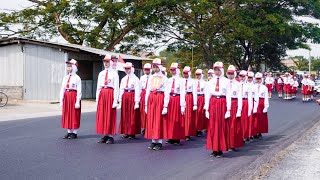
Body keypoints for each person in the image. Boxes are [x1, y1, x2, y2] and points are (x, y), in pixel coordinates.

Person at [204, 61, 229, 158]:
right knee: (213, 126)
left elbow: (229, 96)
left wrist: (229, 109)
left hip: (222, 102)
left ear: (222, 70)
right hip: (213, 103)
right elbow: (207, 95)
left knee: (221, 126)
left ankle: (220, 149)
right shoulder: (210, 82)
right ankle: (214, 148)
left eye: (219, 70)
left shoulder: (226, 81)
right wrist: (206, 109)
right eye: (215, 70)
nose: (217, 72)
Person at [144, 58, 168, 150]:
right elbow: (147, 91)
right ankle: (153, 140)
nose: (155, 68)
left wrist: (165, 106)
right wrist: (146, 104)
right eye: (154, 67)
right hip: (152, 98)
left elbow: (166, 92)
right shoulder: (151, 77)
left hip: (160, 97)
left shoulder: (164, 78)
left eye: (157, 66)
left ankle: (159, 141)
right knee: (151, 119)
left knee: (158, 119)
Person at [96, 55, 119, 144]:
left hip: (110, 93)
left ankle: (110, 136)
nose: (106, 63)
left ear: (111, 62)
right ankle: (105, 134)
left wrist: (115, 100)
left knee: (110, 114)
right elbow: (98, 87)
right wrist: (97, 99)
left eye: (107, 62)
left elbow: (116, 87)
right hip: (103, 93)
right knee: (103, 115)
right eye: (105, 62)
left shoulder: (114, 74)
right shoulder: (101, 73)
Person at [163, 63, 186, 145]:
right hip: (170, 99)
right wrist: (165, 104)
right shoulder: (169, 80)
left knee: (177, 118)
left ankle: (176, 137)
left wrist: (182, 106)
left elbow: (183, 93)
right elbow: (166, 92)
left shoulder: (181, 80)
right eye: (171, 70)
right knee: (170, 119)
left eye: (174, 70)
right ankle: (170, 136)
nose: (172, 71)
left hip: (177, 99)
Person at [118, 62, 141, 139]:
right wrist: (120, 100)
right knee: (125, 114)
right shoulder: (124, 79)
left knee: (132, 114)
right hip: (125, 95)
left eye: (128, 68)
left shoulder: (136, 79)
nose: (127, 70)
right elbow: (121, 89)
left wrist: (137, 102)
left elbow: (138, 90)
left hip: (132, 95)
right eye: (126, 68)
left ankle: (132, 132)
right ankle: (126, 131)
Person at [60, 59, 82, 139]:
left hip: (73, 96)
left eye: (70, 66)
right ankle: (69, 132)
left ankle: (74, 132)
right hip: (67, 96)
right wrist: (61, 99)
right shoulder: (65, 78)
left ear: (74, 67)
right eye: (67, 66)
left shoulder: (77, 78)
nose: (68, 68)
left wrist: (77, 101)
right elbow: (62, 88)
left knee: (74, 114)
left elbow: (79, 90)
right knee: (67, 114)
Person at [226, 65, 243, 151]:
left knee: (233, 125)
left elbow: (240, 97)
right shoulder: (224, 82)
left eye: (232, 73)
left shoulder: (238, 84)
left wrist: (239, 109)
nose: (230, 75)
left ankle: (232, 144)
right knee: (225, 126)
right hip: (225, 104)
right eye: (229, 73)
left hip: (234, 103)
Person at [182, 66, 197, 141]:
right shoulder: (181, 80)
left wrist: (195, 104)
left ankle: (187, 133)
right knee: (182, 115)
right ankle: (182, 132)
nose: (185, 75)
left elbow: (194, 92)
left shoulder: (193, 81)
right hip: (182, 96)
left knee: (189, 115)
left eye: (186, 73)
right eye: (184, 73)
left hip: (189, 97)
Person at [253, 72, 269, 139]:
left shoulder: (264, 87)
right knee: (255, 118)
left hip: (261, 102)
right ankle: (255, 131)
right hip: (255, 102)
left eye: (259, 79)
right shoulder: (253, 87)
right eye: (257, 79)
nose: (258, 80)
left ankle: (260, 131)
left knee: (261, 118)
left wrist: (266, 106)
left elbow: (266, 97)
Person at [239, 70, 253, 142]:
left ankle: (245, 135)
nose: (242, 78)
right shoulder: (237, 84)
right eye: (240, 76)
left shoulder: (248, 86)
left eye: (243, 76)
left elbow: (250, 97)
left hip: (245, 101)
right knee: (238, 120)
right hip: (238, 102)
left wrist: (250, 108)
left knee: (244, 119)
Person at [140, 63, 152, 135]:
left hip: (150, 93)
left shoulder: (152, 77)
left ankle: (149, 126)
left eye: (148, 70)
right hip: (143, 93)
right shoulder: (142, 78)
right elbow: (140, 87)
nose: (146, 71)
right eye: (145, 70)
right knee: (143, 111)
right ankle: (144, 126)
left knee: (149, 110)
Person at [194, 69, 206, 137]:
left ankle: (200, 129)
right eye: (196, 74)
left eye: (199, 74)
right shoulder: (194, 82)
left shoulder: (205, 83)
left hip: (201, 97)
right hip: (195, 97)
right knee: (195, 114)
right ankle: (195, 128)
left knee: (200, 113)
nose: (198, 76)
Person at [247, 72, 256, 140]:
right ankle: (246, 134)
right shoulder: (244, 85)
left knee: (252, 119)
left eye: (250, 78)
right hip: (245, 101)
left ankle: (252, 133)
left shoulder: (254, 86)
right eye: (248, 77)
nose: (249, 79)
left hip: (252, 101)